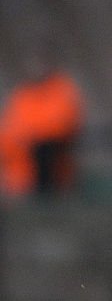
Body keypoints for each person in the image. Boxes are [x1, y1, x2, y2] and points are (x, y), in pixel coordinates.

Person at [0, 48, 84, 198]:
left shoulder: (61, 90)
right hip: (18, 165)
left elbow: (61, 124)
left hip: (46, 158)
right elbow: (11, 125)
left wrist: (29, 136)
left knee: (44, 151)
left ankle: (43, 195)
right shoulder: (24, 93)